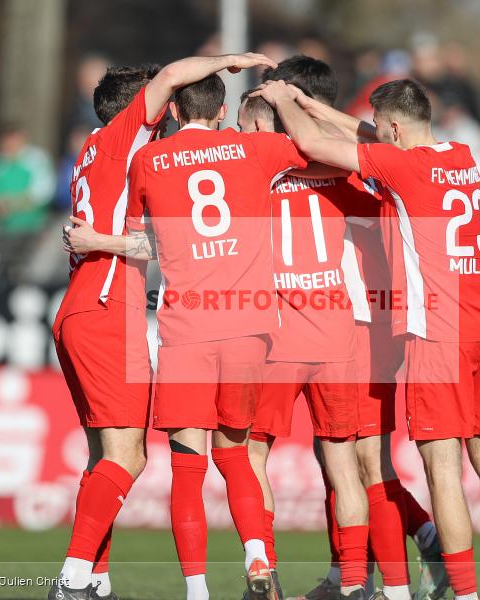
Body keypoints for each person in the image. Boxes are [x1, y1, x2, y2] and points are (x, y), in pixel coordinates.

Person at [253, 77, 480, 600]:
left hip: (440, 330)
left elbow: (317, 146)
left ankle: (465, 594)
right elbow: (370, 138)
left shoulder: (403, 167)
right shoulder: (459, 155)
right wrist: (312, 103)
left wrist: (282, 101)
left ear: (394, 127)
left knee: (443, 470)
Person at [126, 70, 372, 600]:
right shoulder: (281, 159)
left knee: (203, 464)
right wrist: (300, 105)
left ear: (173, 112)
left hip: (234, 333)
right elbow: (357, 148)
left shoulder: (164, 159)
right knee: (331, 463)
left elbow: (143, 236)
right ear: (217, 112)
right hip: (308, 333)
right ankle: (352, 581)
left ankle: (219, 585)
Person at [51, 52, 277, 600]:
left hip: (77, 308)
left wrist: (100, 240)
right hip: (109, 308)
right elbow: (173, 77)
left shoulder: (90, 150)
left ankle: (96, 581)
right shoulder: (128, 139)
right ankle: (72, 577)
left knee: (101, 456)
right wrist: (232, 60)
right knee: (129, 455)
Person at [249, 56, 447, 600]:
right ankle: (353, 574)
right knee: (339, 454)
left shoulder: (325, 169)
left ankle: (398, 573)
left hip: (358, 326)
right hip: (360, 325)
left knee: (361, 459)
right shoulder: (368, 164)